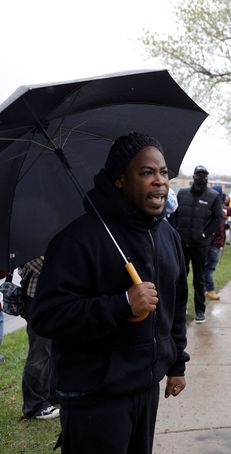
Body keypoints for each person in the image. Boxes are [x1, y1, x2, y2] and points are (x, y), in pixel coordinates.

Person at [31, 132, 190, 454]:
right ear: (120, 180)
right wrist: (122, 304)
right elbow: (47, 317)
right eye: (146, 172)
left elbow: (176, 304)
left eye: (163, 172)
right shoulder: (77, 239)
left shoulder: (168, 235)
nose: (159, 181)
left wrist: (176, 365)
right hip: (93, 395)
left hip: (145, 387)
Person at [170, 165, 222, 323]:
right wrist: (175, 232)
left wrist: (205, 234)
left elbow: (216, 218)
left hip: (200, 245)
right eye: (199, 175)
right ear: (193, 176)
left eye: (204, 175)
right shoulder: (183, 193)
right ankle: (180, 307)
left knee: (199, 279)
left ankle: (200, 310)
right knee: (180, 277)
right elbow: (174, 215)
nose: (201, 178)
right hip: (182, 243)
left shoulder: (213, 196)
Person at [18, 257, 60, 420]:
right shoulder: (31, 239)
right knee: (40, 352)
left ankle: (52, 392)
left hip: (53, 297)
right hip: (37, 298)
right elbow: (34, 262)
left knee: (54, 347)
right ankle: (35, 405)